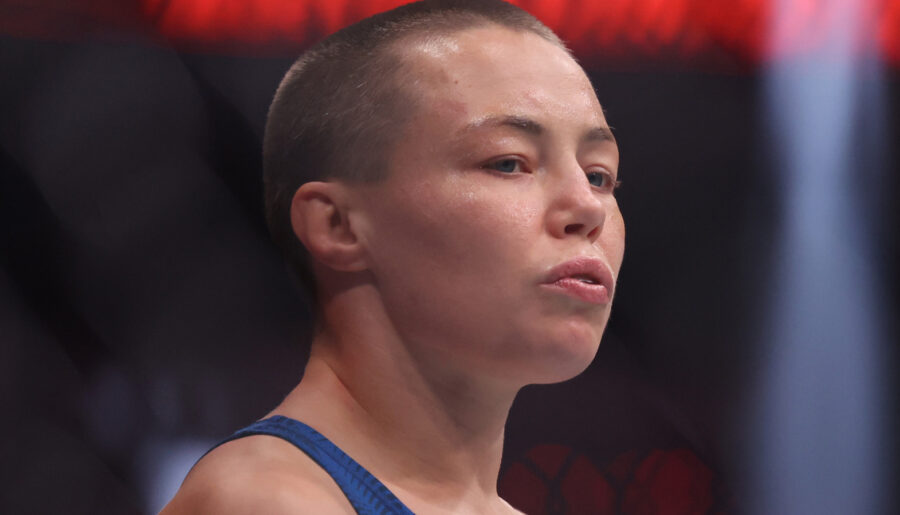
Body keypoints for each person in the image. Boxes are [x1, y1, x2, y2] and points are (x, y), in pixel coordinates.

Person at [161, 0, 624, 513]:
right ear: (337, 224)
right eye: (509, 163)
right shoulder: (266, 501)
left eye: (599, 175)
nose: (588, 208)